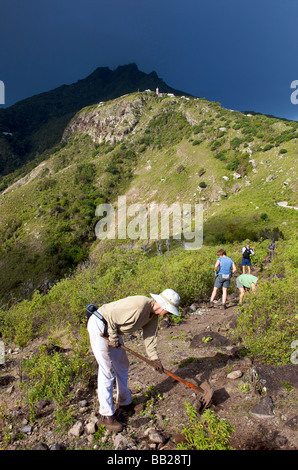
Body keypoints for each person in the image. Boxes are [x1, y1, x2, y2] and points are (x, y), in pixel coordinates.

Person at [86, 288, 180, 433]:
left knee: (123, 365)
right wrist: (113, 337)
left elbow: (150, 339)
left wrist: (155, 359)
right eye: (169, 310)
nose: (168, 314)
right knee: (107, 369)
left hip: (112, 330)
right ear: (163, 305)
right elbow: (110, 315)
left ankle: (124, 403)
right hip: (100, 324)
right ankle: (105, 414)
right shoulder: (139, 305)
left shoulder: (153, 317)